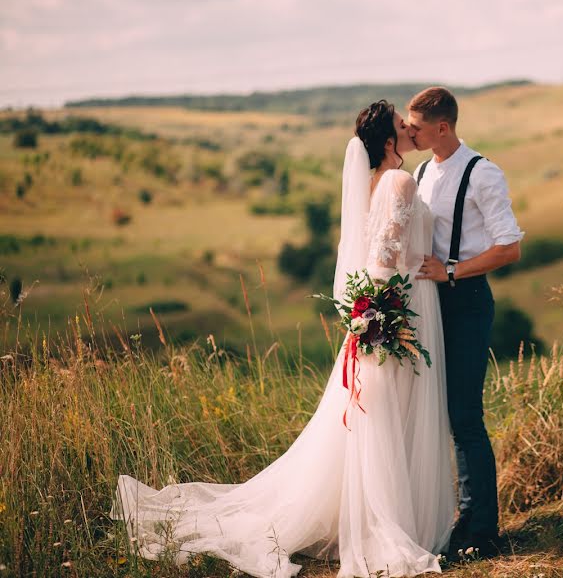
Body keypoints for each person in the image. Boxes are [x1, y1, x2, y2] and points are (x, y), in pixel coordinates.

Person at [110, 100, 456, 578]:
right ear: (387, 141)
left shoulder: (375, 184)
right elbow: (383, 259)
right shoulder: (399, 180)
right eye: (402, 125)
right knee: (395, 414)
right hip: (402, 306)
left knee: (381, 417)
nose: (410, 131)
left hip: (391, 307)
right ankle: (391, 523)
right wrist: (378, 315)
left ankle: (378, 517)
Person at [408, 87, 524, 560]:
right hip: (429, 304)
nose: (409, 133)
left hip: (468, 302)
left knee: (465, 417)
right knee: (440, 415)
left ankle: (484, 530)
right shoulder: (419, 171)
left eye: (416, 127)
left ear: (442, 127)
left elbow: (509, 246)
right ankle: (461, 515)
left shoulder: (482, 173)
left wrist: (452, 271)